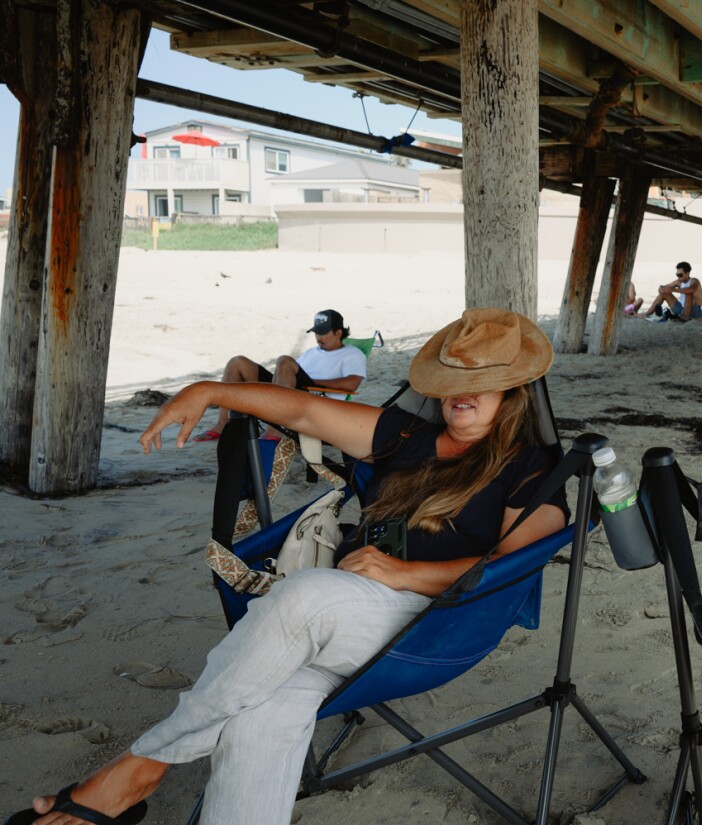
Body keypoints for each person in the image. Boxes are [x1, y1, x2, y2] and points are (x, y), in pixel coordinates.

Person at [7, 309, 569, 825]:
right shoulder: (406, 435)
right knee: (264, 708)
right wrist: (208, 390)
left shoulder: (529, 467)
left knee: (305, 596)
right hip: (342, 617)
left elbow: (513, 565)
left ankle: (140, 768)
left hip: (434, 621)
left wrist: (403, 575)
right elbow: (302, 409)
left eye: (480, 382)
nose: (460, 395)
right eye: (451, 383)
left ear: (513, 389)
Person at [192, 309, 367, 442]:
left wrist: (311, 382)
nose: (318, 337)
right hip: (290, 389)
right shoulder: (312, 352)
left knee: (284, 360)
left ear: (338, 333)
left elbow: (351, 384)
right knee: (238, 362)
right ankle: (223, 424)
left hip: (312, 396)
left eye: (323, 333)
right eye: (316, 332)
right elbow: (291, 372)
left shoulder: (352, 354)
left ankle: (275, 430)